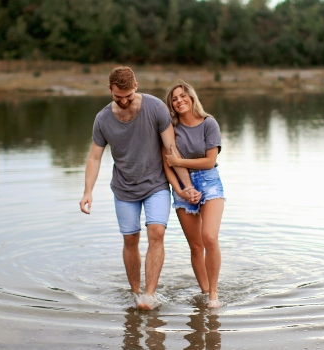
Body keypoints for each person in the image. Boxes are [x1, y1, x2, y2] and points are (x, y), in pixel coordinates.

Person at [79, 67, 199, 310]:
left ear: (136, 87)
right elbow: (94, 157)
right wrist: (87, 191)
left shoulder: (155, 108)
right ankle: (136, 293)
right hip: (123, 188)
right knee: (130, 239)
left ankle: (149, 295)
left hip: (155, 184)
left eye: (128, 96)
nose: (123, 101)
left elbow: (171, 150)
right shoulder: (102, 119)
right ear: (109, 89)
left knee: (157, 232)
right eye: (117, 97)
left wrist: (186, 187)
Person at [162, 80, 225, 308]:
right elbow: (167, 164)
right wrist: (180, 190)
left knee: (209, 237)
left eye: (182, 96)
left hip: (209, 182)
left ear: (191, 97)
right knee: (196, 246)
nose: (179, 101)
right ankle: (205, 290)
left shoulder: (209, 124)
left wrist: (180, 161)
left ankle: (214, 295)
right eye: (174, 99)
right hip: (181, 186)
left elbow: (210, 161)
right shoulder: (170, 129)